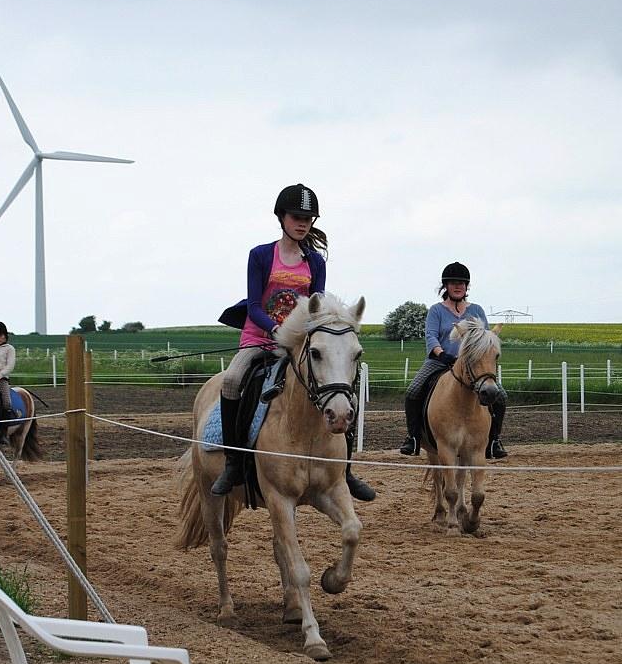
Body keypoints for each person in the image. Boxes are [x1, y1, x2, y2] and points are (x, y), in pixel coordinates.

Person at [212, 184, 376, 501]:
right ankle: (233, 462)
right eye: (296, 216)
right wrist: (275, 330)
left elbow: (316, 307)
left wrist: (304, 337)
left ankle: (346, 469)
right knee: (232, 381)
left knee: (339, 388)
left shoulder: (315, 262)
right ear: (281, 217)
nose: (302, 223)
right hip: (260, 338)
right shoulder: (260, 255)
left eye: (308, 218)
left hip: (299, 345)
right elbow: (255, 305)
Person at [399, 262, 507, 459]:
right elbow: (431, 336)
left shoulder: (477, 310)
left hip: (472, 366)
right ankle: (413, 437)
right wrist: (442, 354)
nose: (458, 287)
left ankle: (494, 440)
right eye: (453, 283)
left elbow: (484, 337)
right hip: (440, 361)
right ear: (445, 286)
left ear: (467, 287)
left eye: (462, 283)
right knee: (413, 391)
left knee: (500, 396)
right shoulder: (436, 310)